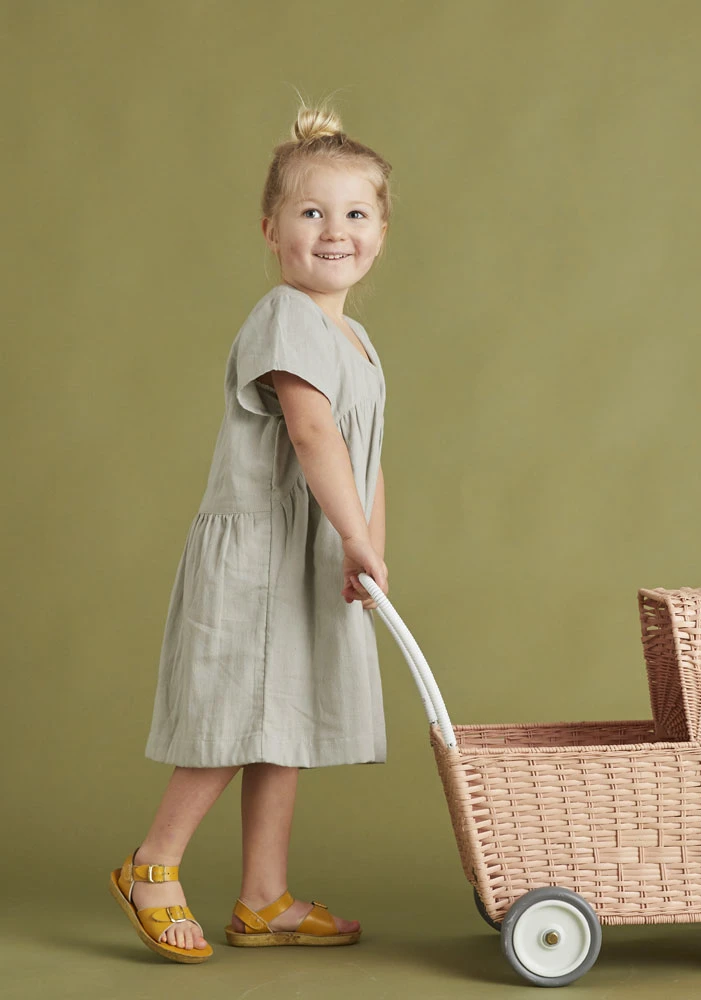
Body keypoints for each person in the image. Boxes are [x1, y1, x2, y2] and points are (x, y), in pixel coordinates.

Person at [108, 99, 392, 963]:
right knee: (237, 712)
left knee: (284, 720)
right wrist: (351, 535)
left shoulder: (357, 338)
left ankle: (263, 897)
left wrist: (369, 545)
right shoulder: (285, 316)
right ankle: (152, 864)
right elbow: (311, 433)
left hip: (314, 552)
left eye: (356, 213)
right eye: (311, 212)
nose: (334, 231)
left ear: (381, 232)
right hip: (262, 554)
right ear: (271, 230)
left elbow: (368, 458)